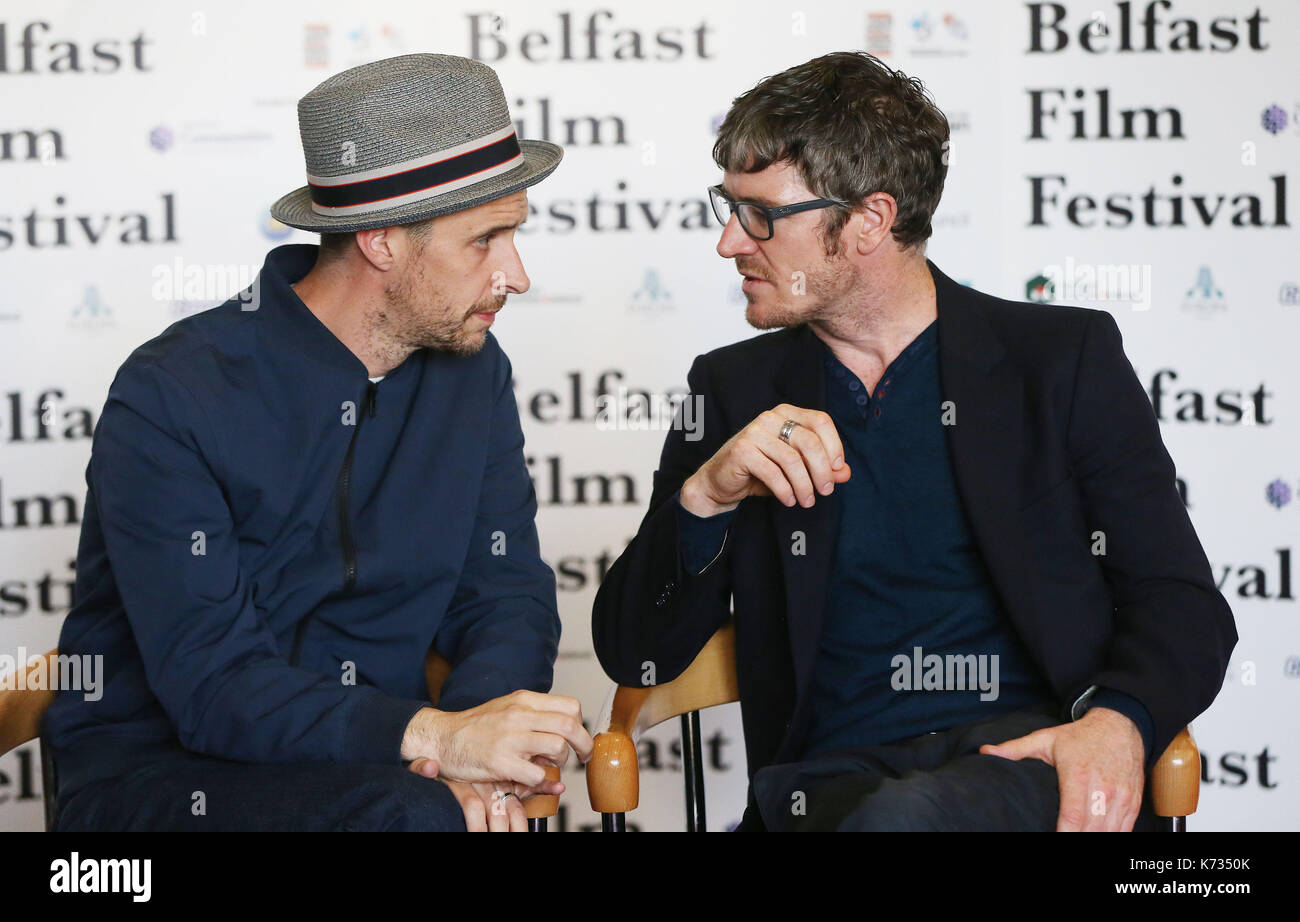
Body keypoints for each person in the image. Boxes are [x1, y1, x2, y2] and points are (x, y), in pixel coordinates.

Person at [591, 51, 1237, 831]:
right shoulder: (732, 392)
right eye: (727, 207)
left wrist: (1118, 723)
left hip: (1021, 771)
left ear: (869, 220)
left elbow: (1181, 604)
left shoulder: (1059, 362)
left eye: (761, 213)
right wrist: (707, 495)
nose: (730, 242)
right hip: (826, 790)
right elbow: (636, 656)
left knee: (907, 818)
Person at [45, 53, 592, 832]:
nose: (517, 273)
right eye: (486, 241)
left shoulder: (473, 371)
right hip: (155, 788)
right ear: (381, 242)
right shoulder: (172, 393)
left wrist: (483, 758)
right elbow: (212, 690)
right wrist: (439, 739)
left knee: (430, 814)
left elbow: (502, 593)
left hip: (386, 772)